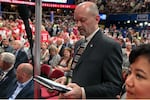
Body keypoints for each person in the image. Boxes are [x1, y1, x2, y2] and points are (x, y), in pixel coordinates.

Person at [56, 1, 123, 99]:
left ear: (97, 19)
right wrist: (66, 79)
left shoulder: (110, 46)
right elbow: (78, 72)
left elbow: (114, 87)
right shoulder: (79, 44)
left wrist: (83, 92)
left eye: (82, 20)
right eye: (76, 21)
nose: (78, 25)